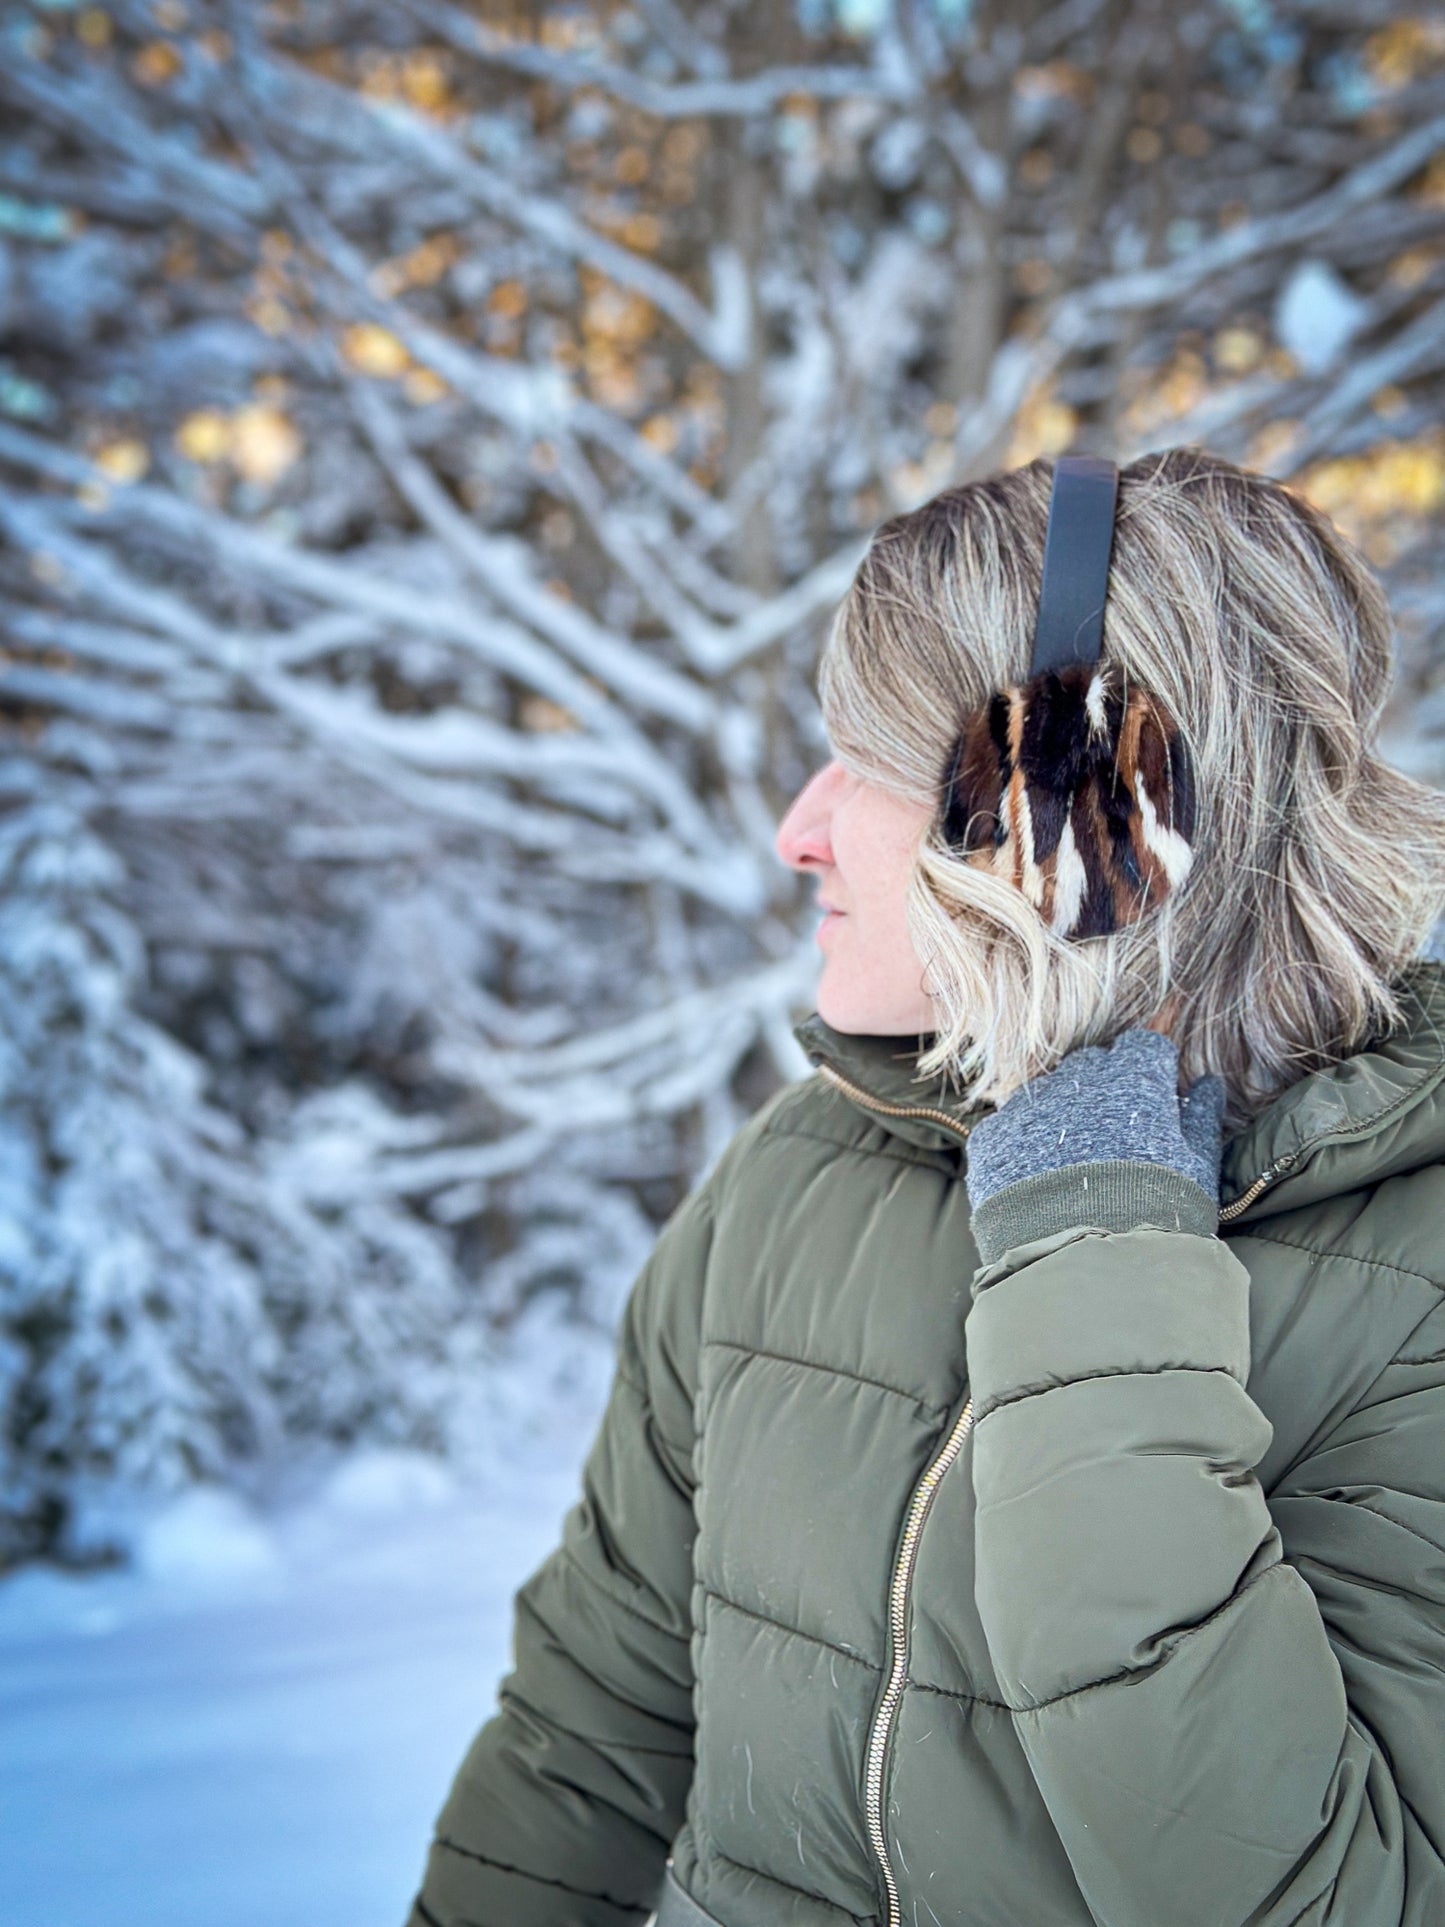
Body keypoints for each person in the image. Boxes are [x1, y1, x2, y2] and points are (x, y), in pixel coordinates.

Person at [406, 447, 1445, 1927]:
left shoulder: (1421, 1276)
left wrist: (1094, 1235)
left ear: (1082, 801)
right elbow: (588, 1738)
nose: (798, 829)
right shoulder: (800, 1171)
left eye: (867, 765)